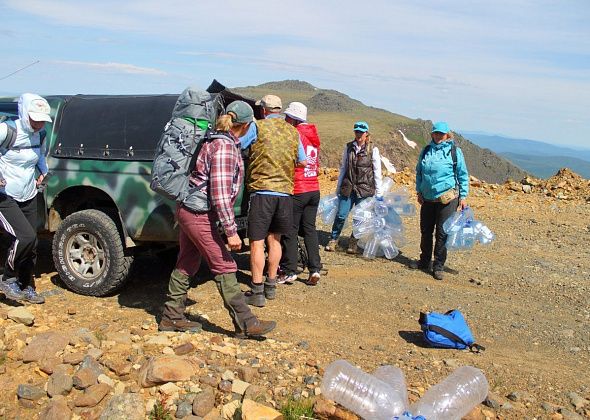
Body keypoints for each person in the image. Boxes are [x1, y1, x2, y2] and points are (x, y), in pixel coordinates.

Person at [159, 100, 276, 337]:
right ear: (245, 126)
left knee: (187, 262)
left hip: (188, 209)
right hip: (198, 213)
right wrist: (231, 231)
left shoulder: (212, 140)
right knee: (223, 264)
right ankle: (246, 323)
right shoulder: (224, 148)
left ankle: (171, 317)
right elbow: (221, 194)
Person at [240, 94, 306, 307]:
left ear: (263, 110)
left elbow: (239, 146)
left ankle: (257, 290)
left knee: (257, 242)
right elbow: (302, 162)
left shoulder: (257, 127)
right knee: (274, 240)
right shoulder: (293, 132)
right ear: (279, 110)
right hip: (285, 193)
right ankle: (271, 286)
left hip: (261, 192)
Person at [0, 93, 51, 304]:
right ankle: (8, 278)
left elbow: (38, 155)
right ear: (24, 113)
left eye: (41, 120)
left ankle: (26, 285)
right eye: (34, 119)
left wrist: (42, 170)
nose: (38, 123)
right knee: (24, 237)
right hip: (5, 195)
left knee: (33, 243)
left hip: (28, 192)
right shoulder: (6, 130)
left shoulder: (40, 134)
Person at [411, 121, 469, 280]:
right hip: (427, 198)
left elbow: (462, 176)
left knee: (442, 233)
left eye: (441, 134)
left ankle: (438, 265)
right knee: (426, 231)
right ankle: (424, 261)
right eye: (435, 133)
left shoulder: (454, 152)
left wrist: (463, 197)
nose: (438, 136)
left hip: (447, 199)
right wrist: (419, 191)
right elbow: (419, 173)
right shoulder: (426, 150)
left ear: (447, 135)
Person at [278, 102, 322, 286]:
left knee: (290, 230)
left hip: (298, 188)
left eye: (288, 117)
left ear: (294, 119)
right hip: (314, 188)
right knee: (310, 229)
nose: (286, 120)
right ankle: (315, 268)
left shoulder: (295, 134)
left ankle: (290, 270)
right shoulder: (313, 135)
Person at [325, 121, 383, 254]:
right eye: (357, 131)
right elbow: (344, 168)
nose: (359, 134)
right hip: (348, 186)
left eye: (361, 132)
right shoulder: (348, 147)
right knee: (341, 215)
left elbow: (377, 171)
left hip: (365, 188)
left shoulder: (372, 149)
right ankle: (334, 239)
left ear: (366, 133)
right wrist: (338, 187)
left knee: (359, 217)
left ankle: (353, 241)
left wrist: (379, 194)